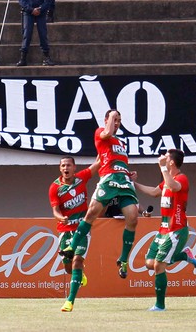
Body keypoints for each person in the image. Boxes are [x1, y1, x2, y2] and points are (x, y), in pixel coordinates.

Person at [59, 110, 140, 282]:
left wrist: (129, 173)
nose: (117, 123)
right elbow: (107, 132)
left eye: (119, 120)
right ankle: (71, 247)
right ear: (106, 120)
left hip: (123, 181)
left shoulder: (121, 143)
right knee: (91, 214)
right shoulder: (100, 132)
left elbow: (116, 160)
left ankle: (123, 260)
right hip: (109, 180)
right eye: (114, 119)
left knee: (133, 218)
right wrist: (111, 118)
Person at [132, 149, 196, 312]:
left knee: (159, 266)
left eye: (166, 157)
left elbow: (174, 187)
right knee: (149, 263)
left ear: (172, 162)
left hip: (176, 229)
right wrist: (133, 183)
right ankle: (184, 255)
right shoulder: (167, 180)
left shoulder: (181, 178)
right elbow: (154, 192)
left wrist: (162, 168)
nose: (162, 158)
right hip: (163, 229)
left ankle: (160, 306)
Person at [48, 156, 99, 312]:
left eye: (68, 165)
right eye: (63, 165)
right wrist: (61, 218)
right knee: (69, 268)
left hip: (82, 229)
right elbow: (55, 211)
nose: (65, 168)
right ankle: (80, 275)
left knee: (77, 261)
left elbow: (97, 164)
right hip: (64, 231)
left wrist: (105, 146)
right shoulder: (55, 187)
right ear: (60, 168)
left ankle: (69, 302)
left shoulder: (81, 178)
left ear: (74, 167)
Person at [17, 0, 56, 66]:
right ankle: (23, 58)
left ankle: (47, 57)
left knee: (43, 34)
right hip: (28, 12)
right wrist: (31, 9)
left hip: (41, 12)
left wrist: (41, 9)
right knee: (27, 34)